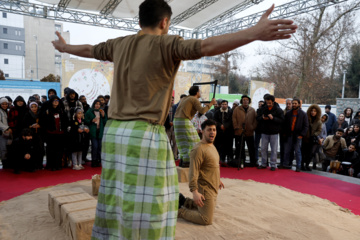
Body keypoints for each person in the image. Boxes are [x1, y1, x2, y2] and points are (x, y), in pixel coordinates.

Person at [52, 0, 297, 238]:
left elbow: (88, 50)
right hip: (145, 134)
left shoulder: (119, 44)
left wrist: (64, 49)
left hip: (114, 134)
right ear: (165, 22)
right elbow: (206, 46)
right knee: (156, 204)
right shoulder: (167, 44)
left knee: (116, 198)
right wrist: (254, 32)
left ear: (140, 21)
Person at [177, 119, 224, 225]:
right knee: (206, 219)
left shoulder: (212, 146)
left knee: (207, 209)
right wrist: (195, 192)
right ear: (202, 131)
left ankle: (184, 201)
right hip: (205, 189)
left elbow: (212, 166)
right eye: (209, 130)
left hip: (212, 187)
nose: (212, 132)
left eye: (214, 130)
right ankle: (179, 212)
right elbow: (193, 172)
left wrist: (218, 180)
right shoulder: (198, 150)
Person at [174, 86, 215, 167]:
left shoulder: (184, 98)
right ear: (197, 92)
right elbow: (202, 111)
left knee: (182, 142)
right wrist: (211, 103)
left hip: (176, 121)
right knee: (195, 140)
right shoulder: (194, 99)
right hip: (184, 120)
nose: (200, 93)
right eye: (199, 91)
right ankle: (190, 161)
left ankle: (184, 160)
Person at [40, 95, 68, 171]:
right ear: (51, 102)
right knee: (51, 150)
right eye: (54, 101)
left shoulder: (61, 110)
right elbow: (44, 122)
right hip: (51, 134)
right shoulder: (47, 111)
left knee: (59, 150)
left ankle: (58, 164)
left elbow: (65, 121)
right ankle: (51, 165)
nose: (56, 102)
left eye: (57, 101)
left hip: (60, 134)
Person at [257, 95, 284, 171]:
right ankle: (263, 163)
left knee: (274, 150)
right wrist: (262, 118)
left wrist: (273, 118)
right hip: (264, 132)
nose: (268, 104)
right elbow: (257, 118)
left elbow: (282, 120)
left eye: (269, 102)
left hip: (274, 132)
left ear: (273, 101)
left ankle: (273, 164)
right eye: (267, 102)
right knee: (263, 149)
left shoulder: (278, 110)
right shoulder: (262, 108)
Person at [281, 98, 308, 172]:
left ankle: (298, 166)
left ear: (299, 104)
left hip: (298, 136)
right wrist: (284, 133)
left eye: (295, 103)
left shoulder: (303, 114)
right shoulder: (288, 113)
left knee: (297, 152)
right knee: (287, 150)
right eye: (293, 103)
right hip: (289, 135)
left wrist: (301, 135)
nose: (294, 105)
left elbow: (306, 126)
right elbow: (284, 124)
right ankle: (286, 164)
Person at [232, 95, 257, 167]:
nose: (245, 101)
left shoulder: (252, 110)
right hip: (239, 132)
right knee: (240, 148)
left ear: (249, 101)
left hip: (249, 132)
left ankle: (253, 162)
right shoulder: (237, 109)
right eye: (244, 100)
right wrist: (236, 127)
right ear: (241, 101)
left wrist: (253, 127)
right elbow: (234, 119)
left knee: (251, 148)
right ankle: (241, 161)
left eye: (247, 100)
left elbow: (255, 120)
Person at [84, 100, 107, 167]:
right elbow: (85, 121)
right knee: (95, 146)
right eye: (96, 104)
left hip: (100, 132)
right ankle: (93, 161)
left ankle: (98, 160)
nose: (97, 105)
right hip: (93, 132)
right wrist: (91, 120)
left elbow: (105, 121)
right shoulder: (89, 111)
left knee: (100, 147)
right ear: (94, 104)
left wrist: (103, 116)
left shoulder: (101, 111)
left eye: (99, 104)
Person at [22, 102, 44, 170]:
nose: (34, 108)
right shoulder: (27, 114)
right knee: (33, 150)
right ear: (30, 107)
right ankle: (33, 165)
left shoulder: (40, 114)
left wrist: (40, 125)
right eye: (32, 107)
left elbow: (45, 123)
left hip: (39, 135)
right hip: (31, 135)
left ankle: (40, 164)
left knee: (40, 149)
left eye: (35, 107)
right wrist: (31, 126)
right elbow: (24, 124)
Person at [301, 104, 322, 171]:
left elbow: (319, 130)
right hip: (304, 138)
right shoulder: (306, 118)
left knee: (310, 153)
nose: (313, 112)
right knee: (303, 152)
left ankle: (307, 165)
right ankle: (302, 165)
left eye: (315, 111)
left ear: (317, 112)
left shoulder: (319, 121)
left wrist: (314, 134)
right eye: (312, 111)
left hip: (312, 139)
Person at [279, 98, 292, 167]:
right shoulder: (283, 112)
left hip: (290, 134)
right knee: (282, 148)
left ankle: (287, 163)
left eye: (289, 103)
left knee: (288, 149)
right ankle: (282, 162)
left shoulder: (294, 113)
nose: (288, 105)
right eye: (287, 103)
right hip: (282, 133)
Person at [0, 97, 11, 169]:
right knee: (3, 149)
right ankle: (4, 164)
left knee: (8, 148)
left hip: (8, 133)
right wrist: (6, 128)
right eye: (3, 104)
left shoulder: (8, 111)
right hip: (2, 133)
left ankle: (7, 164)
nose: (4, 105)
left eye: (6, 104)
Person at [254, 100, 265, 164]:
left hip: (263, 130)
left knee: (264, 146)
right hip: (257, 130)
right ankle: (256, 159)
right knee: (256, 145)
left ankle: (264, 160)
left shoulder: (265, 111)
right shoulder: (257, 111)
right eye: (259, 104)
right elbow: (256, 119)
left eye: (261, 104)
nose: (260, 105)